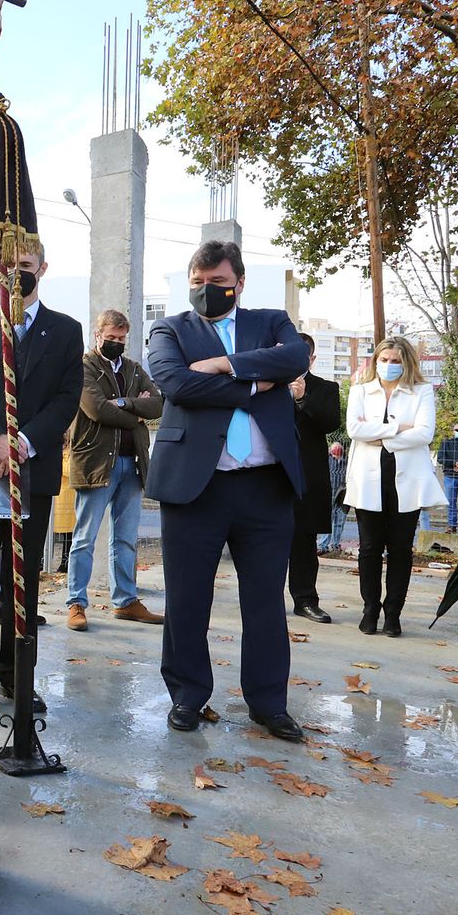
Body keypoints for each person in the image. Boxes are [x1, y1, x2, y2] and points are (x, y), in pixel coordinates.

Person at [145, 240, 310, 742]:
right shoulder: (169, 327)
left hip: (265, 485)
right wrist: (257, 384)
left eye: (216, 283)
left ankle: (268, 703)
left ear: (238, 282)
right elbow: (175, 385)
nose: (205, 291)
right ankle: (187, 695)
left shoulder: (271, 320)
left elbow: (295, 357)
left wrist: (223, 365)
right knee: (187, 598)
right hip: (197, 487)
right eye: (197, 283)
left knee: (264, 600)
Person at [0, 245, 83, 711]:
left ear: (42, 269)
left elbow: (68, 397)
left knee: (21, 580)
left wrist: (23, 441)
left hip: (33, 467)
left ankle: (16, 674)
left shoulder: (66, 331)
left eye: (25, 268)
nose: (16, 276)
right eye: (9, 268)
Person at [64, 308, 164, 631]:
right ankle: (76, 603)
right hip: (95, 463)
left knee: (125, 539)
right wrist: (135, 410)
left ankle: (126, 601)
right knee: (85, 537)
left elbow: (158, 403)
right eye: (111, 338)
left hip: (131, 463)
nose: (116, 343)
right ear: (98, 335)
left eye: (121, 339)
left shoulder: (134, 369)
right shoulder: (83, 366)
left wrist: (124, 403)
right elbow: (95, 409)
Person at [345, 339, 447, 636]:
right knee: (369, 548)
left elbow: (424, 433)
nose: (389, 365)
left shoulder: (421, 391)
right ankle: (370, 609)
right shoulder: (360, 391)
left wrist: (380, 437)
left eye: (396, 360)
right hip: (368, 478)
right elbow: (355, 430)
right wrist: (400, 428)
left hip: (408, 480)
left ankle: (393, 613)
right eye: (384, 359)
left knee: (401, 549)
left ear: (407, 363)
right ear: (375, 360)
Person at [286, 333, 342, 624]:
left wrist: (303, 398)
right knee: (264, 542)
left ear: (312, 358)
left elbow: (331, 422)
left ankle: (305, 600)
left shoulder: (326, 388)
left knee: (304, 541)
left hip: (307, 474)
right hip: (269, 474)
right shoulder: (267, 383)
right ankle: (265, 600)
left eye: (302, 354)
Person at [318, 442, 350, 553]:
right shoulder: (327, 461)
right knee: (326, 521)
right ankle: (323, 545)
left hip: (342, 496)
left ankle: (335, 544)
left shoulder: (346, 462)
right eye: (334, 450)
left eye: (338, 449)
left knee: (339, 522)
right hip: (328, 494)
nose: (336, 452)